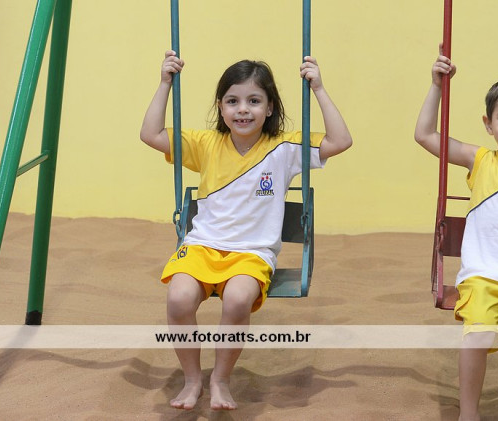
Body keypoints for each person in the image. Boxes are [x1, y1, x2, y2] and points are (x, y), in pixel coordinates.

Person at [140, 50, 352, 410]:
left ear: (269, 108)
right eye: (233, 101)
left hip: (251, 254)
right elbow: (150, 134)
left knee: (238, 300)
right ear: (220, 107)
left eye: (254, 101)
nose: (243, 110)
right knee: (178, 299)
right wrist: (165, 84)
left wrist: (318, 88)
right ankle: (192, 379)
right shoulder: (206, 144)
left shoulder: (283, 148)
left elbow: (341, 141)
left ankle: (220, 379)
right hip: (202, 247)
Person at [414, 44, 498, 421]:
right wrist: (437, 86)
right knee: (476, 338)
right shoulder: (479, 160)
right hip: (483, 277)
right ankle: (469, 412)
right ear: (488, 124)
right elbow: (425, 135)